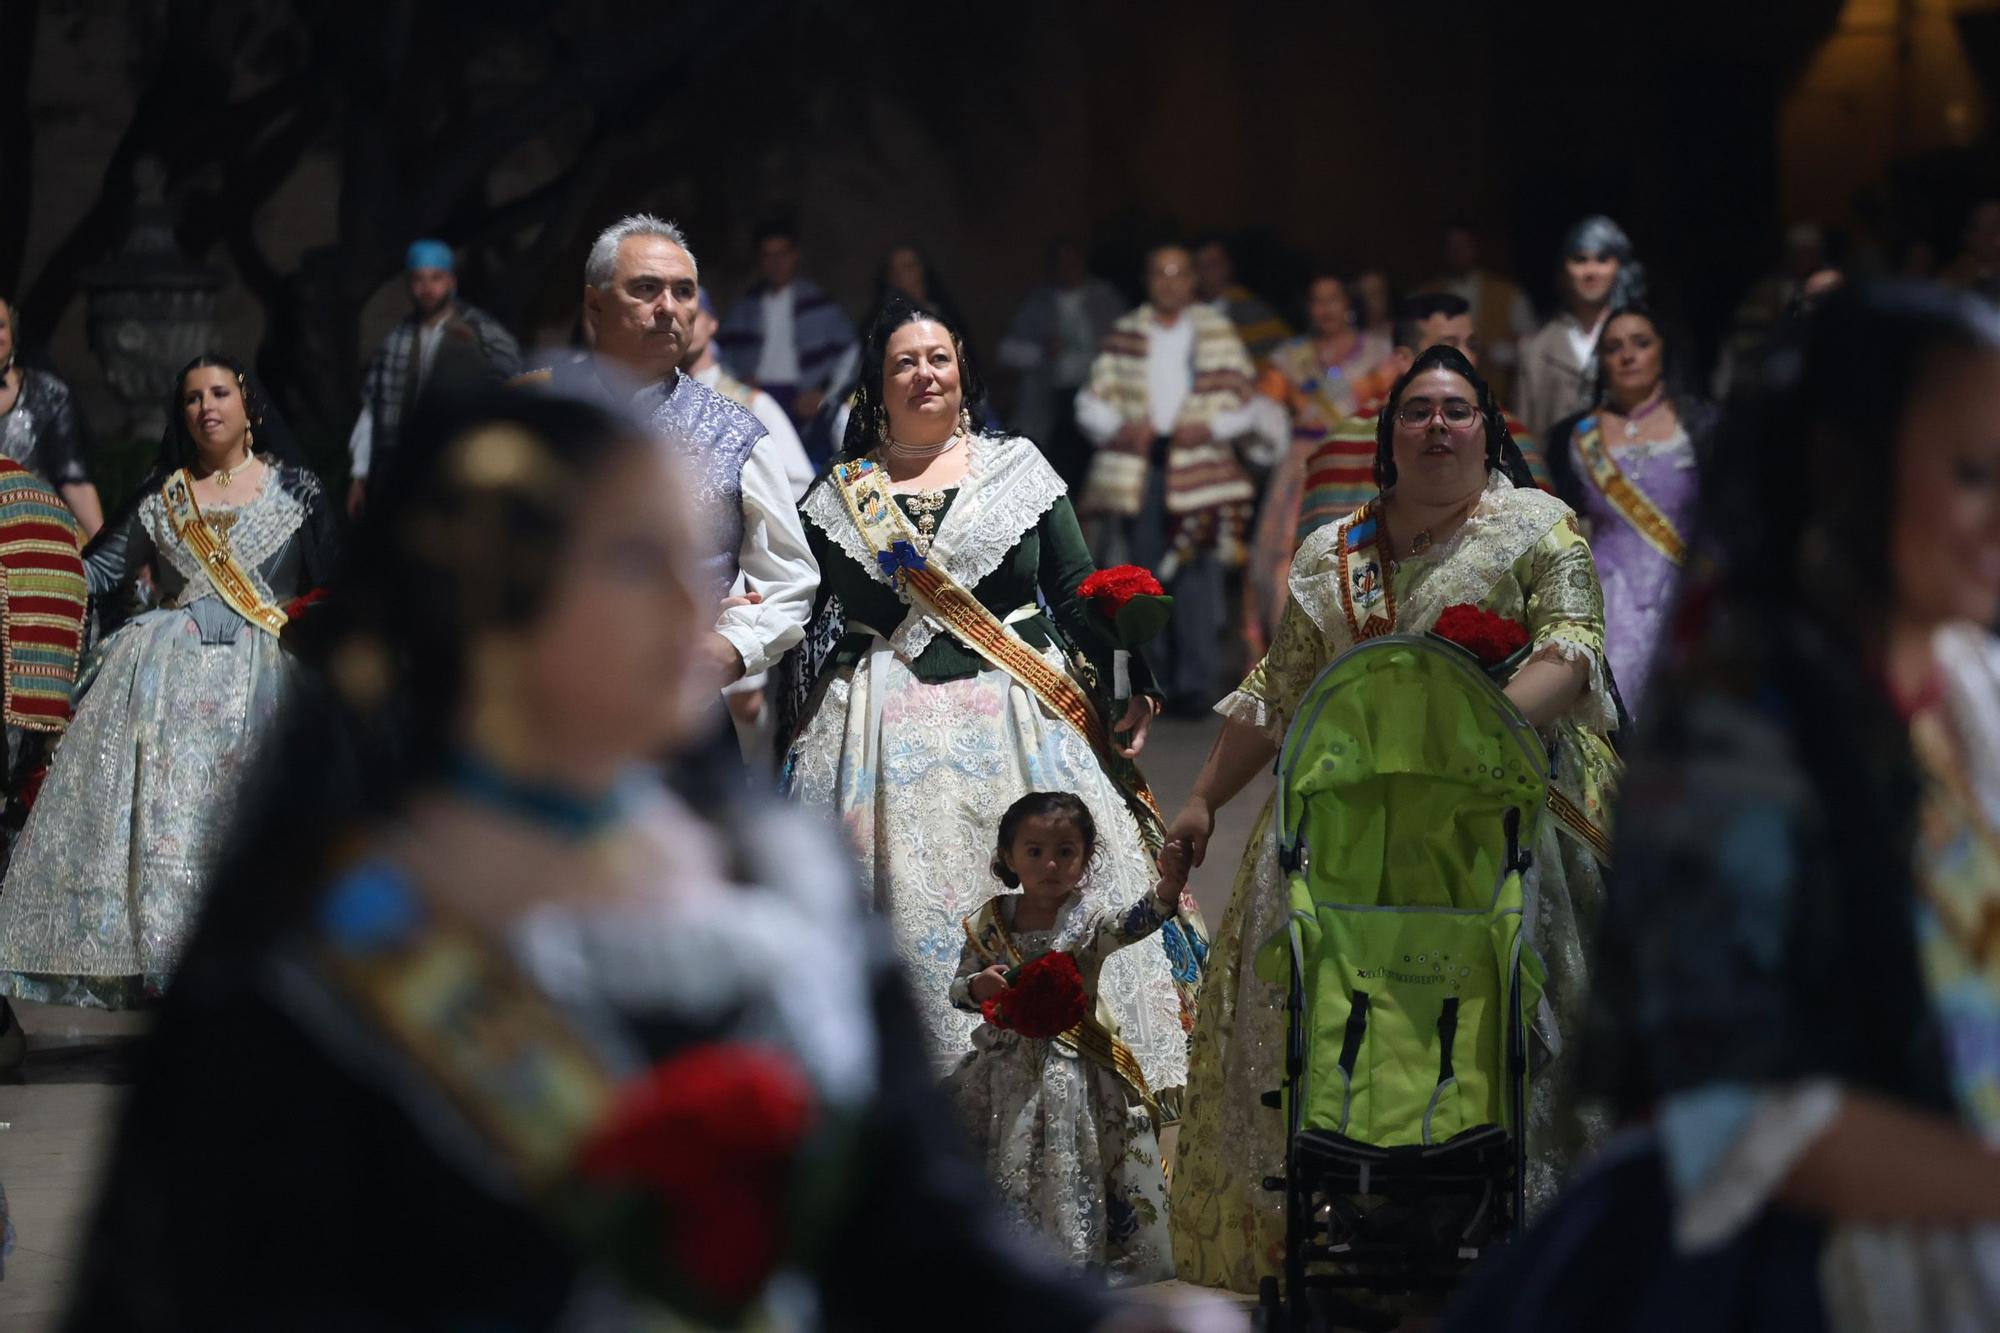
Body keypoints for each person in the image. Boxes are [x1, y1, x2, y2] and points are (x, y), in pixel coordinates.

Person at [57, 387, 1239, 1333]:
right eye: (635, 562)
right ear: (491, 598)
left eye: (690, 561)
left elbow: (900, 1227)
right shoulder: (330, 926)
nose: (693, 607)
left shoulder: (775, 874)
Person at [1447, 283, 2000, 1331]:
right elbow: (1730, 1110)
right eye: (1970, 471)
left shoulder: (1973, 683)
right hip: (1818, 1266)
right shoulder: (1743, 737)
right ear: (1847, 469)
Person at [1165, 346, 1620, 1294]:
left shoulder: (1540, 530)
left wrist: (1477, 724)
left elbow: (1574, 651)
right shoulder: (1335, 554)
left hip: (1504, 820)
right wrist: (1203, 796)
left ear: (1490, 428)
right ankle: (1356, 1215)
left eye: (1458, 410)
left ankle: (1536, 1238)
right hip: (1350, 834)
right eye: (1417, 411)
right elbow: (1276, 688)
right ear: (1388, 435)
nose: (1439, 426)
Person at [782, 296, 1202, 1104]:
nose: (924, 373)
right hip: (879, 733)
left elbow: (1079, 593)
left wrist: (1132, 673)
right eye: (904, 361)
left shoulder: (1018, 470)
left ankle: (1080, 1076)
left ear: (963, 369)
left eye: (938, 357)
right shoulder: (841, 495)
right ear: (876, 382)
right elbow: (817, 619)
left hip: (1021, 714)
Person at [0, 353, 337, 1014]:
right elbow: (96, 573)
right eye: (190, 398)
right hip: (161, 685)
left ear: (250, 406)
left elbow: (338, 586)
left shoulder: (297, 489)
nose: (205, 406)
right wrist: (20, 551)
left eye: (218, 392)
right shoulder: (165, 494)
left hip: (267, 682)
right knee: (162, 832)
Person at [518, 213, 818, 798]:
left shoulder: (738, 434)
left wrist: (732, 648)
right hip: (538, 723)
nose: (669, 307)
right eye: (646, 289)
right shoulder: (533, 412)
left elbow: (791, 576)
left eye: (683, 292)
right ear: (595, 305)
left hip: (678, 727)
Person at [945, 792, 1190, 1285]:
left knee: (1072, 1152)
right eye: (1034, 851)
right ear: (1008, 857)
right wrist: (977, 986)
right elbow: (958, 987)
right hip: (1006, 1067)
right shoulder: (989, 924)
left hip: (1073, 1067)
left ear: (1085, 858)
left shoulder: (1088, 921)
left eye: (1065, 851)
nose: (1049, 864)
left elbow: (1132, 924)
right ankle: (1009, 1252)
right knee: (1007, 1150)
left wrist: (1167, 889)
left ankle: (1070, 1253)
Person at [1075, 244, 1280, 712]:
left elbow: (1248, 402)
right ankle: (1155, 682)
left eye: (1178, 273)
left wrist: (1210, 426)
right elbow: (1091, 400)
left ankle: (1194, 683)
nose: (1169, 282)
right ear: (1148, 280)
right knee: (1144, 574)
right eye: (1159, 273)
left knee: (1199, 574)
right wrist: (1121, 429)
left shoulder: (1216, 332)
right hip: (1146, 467)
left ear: (1191, 280)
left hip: (1200, 466)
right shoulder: (1129, 331)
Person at [1544, 303, 1717, 715]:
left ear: (1662, 350)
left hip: (1684, 596)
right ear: (1601, 361)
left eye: (1641, 343)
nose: (1628, 356)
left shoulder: (1702, 423)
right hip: (1603, 599)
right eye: (1614, 347)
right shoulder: (1574, 436)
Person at [1293, 292, 1545, 553]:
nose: (1468, 358)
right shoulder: (1340, 445)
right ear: (1403, 359)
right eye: (1449, 347)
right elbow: (1318, 568)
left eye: (1472, 345)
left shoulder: (1509, 432)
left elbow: (1540, 550)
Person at [1244, 273, 1392, 651]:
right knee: (1282, 556)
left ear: (1349, 304)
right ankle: (1289, 651)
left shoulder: (1379, 353)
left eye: (1333, 299)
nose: (1325, 308)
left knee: (1358, 551)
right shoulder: (1290, 357)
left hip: (1357, 463)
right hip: (1301, 465)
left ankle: (1361, 649)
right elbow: (1261, 409)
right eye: (1316, 300)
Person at [345, 239, 521, 517]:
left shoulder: (484, 335)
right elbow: (372, 410)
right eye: (418, 280)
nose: (427, 288)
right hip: (402, 467)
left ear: (450, 280)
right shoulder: (395, 341)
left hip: (461, 466)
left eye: (435, 278)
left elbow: (514, 393)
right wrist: (360, 476)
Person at [997, 237, 1128, 490]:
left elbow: (1129, 342)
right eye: (1061, 262)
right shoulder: (1038, 303)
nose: (1069, 267)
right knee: (1061, 464)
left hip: (1102, 394)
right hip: (1053, 398)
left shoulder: (1106, 298)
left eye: (1073, 260)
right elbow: (1007, 351)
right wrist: (1042, 351)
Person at [716, 217, 860, 436]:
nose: (775, 263)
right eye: (768, 255)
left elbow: (850, 353)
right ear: (759, 260)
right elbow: (719, 353)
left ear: (795, 256)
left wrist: (823, 394)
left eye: (782, 254)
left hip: (803, 400)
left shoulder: (818, 304)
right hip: (756, 397)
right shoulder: (745, 306)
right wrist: (738, 385)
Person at [1518, 215, 1643, 436]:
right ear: (1564, 269)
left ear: (1619, 266)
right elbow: (1524, 438)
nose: (1591, 271)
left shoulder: (1643, 339)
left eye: (1602, 259)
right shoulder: (1537, 347)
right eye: (1580, 260)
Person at [0, 295, 105, 535]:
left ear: (13, 333)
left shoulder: (47, 392)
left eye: (0, 326)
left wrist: (106, 550)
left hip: (35, 533)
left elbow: (73, 480)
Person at [1428, 223, 1538, 404]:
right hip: (1442, 400)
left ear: (1474, 248)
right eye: (1452, 247)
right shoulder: (1426, 295)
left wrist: (1497, 352)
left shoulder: (1509, 294)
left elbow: (1531, 350)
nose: (1458, 253)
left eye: (1463, 246)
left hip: (1499, 400)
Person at [1192, 237, 1293, 366]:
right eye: (1200, 266)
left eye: (1213, 264)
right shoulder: (1184, 312)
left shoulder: (1254, 312)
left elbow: (1284, 359)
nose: (1207, 273)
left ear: (1228, 266)